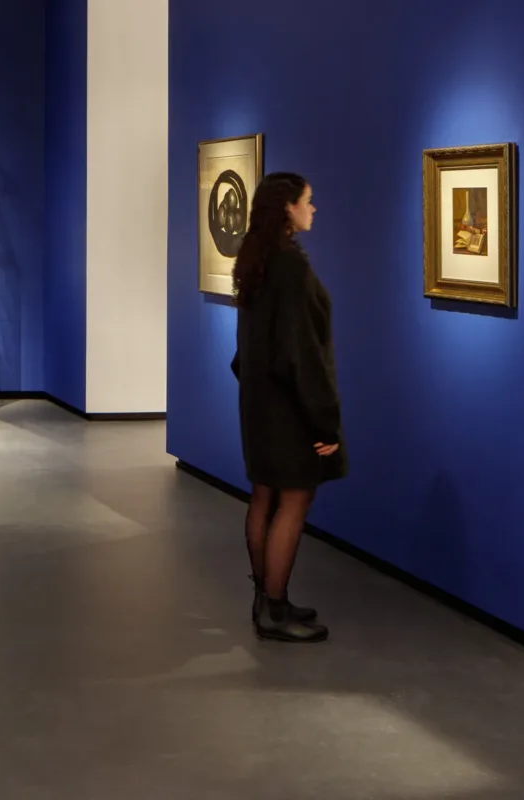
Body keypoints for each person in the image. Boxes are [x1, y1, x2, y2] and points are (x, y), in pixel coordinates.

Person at [229, 172, 343, 644]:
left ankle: (265, 598)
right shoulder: (290, 266)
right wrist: (325, 420)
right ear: (288, 209)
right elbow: (302, 353)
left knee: (263, 497)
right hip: (289, 405)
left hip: (258, 402)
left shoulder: (256, 259)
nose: (314, 209)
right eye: (309, 202)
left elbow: (248, 347)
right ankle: (274, 609)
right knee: (294, 500)